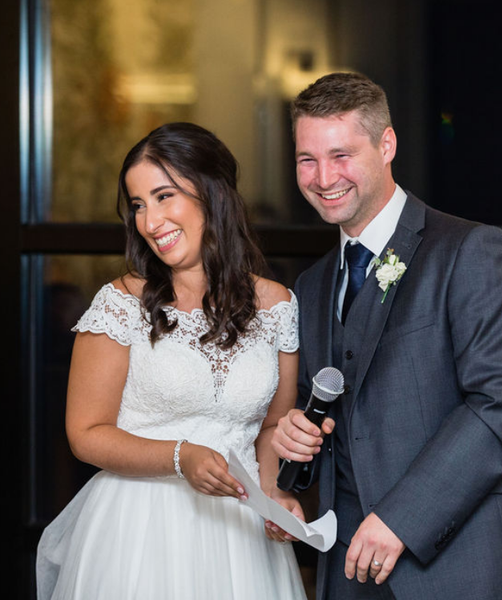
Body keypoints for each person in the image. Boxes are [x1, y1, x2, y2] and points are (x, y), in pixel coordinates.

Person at [271, 72, 502, 600]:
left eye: (341, 155)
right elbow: (330, 417)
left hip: (467, 571)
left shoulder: (472, 251)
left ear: (387, 144)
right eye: (306, 159)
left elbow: (500, 406)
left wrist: (402, 518)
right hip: (349, 575)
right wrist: (296, 444)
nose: (322, 176)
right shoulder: (310, 288)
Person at [36, 122, 307, 600]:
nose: (149, 221)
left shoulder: (278, 305)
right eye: (138, 205)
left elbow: (272, 428)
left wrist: (276, 497)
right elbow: (85, 433)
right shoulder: (120, 304)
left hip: (240, 538)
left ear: (211, 193)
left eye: (164, 196)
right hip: (140, 532)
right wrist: (180, 457)